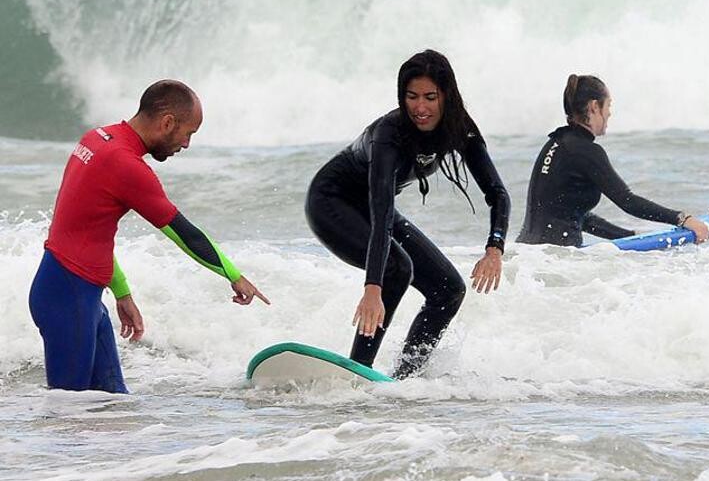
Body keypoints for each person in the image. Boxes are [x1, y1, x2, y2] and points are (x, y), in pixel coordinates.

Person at [29, 80, 269, 394]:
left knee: (111, 408)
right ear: (167, 122)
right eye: (188, 133)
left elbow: (87, 230)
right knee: (67, 416)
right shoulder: (126, 166)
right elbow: (187, 235)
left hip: (74, 293)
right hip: (70, 298)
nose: (185, 144)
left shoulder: (98, 139)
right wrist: (234, 276)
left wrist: (121, 291)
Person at [305, 50, 510, 379]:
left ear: (447, 96)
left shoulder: (460, 128)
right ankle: (358, 371)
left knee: (448, 289)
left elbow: (497, 193)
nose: (421, 107)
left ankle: (404, 377)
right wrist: (373, 287)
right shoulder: (390, 133)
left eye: (431, 97)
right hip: (331, 201)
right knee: (397, 268)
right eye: (411, 97)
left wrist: (494, 248)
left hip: (373, 210)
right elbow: (383, 211)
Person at [518, 74, 709, 247]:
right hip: (558, 259)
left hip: (531, 255)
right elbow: (628, 201)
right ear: (594, 107)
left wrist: (629, 236)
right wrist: (683, 219)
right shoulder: (585, 151)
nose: (609, 113)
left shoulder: (557, 144)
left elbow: (573, 216)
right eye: (608, 105)